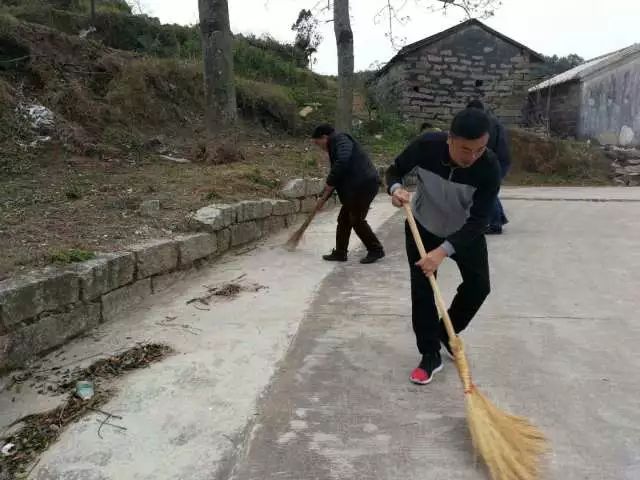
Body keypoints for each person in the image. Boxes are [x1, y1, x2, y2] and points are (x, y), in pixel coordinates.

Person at [386, 108, 500, 385]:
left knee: (478, 286)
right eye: (465, 149)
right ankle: (429, 355)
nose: (472, 157)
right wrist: (396, 189)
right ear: (449, 138)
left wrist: (442, 252)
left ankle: (445, 333)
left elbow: (479, 221)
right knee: (424, 292)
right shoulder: (426, 146)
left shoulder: (489, 167)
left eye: (479, 149)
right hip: (423, 226)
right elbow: (394, 170)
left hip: (464, 233)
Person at [311, 124, 385, 264]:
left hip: (364, 185)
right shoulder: (335, 145)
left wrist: (329, 181)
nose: (318, 146)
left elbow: (342, 162)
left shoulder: (340, 139)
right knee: (344, 220)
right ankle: (340, 253)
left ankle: (376, 250)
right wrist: (323, 197)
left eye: (317, 142)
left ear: (324, 137)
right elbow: (338, 175)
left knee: (356, 219)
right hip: (356, 188)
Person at [467, 99, 511, 234]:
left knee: (488, 190)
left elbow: (486, 146)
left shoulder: (482, 124)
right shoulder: (492, 121)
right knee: (490, 190)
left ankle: (495, 223)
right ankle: (498, 218)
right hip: (502, 160)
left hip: (494, 161)